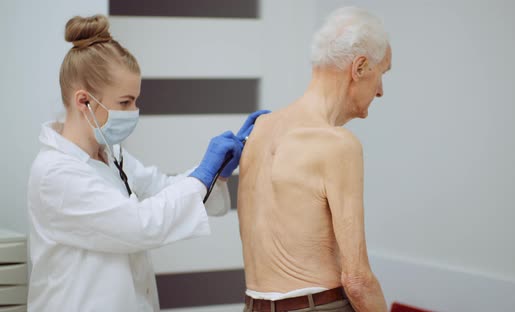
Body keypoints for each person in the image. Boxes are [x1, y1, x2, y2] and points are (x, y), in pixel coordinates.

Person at [26, 14, 268, 311]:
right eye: (125, 102)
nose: (134, 111)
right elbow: (139, 224)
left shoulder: (111, 155)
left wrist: (216, 174)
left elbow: (162, 189)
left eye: (135, 101)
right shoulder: (56, 174)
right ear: (83, 101)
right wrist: (204, 172)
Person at [237, 7, 391, 312]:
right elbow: (358, 281)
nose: (381, 91)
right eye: (381, 73)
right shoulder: (338, 145)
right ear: (359, 67)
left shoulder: (259, 130)